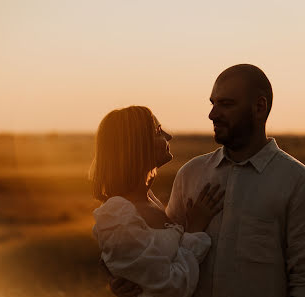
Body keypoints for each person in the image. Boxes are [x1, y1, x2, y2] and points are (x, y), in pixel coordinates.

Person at [108, 64, 305, 297]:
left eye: (226, 104)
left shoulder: (299, 184)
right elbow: (168, 259)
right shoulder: (191, 174)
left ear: (259, 108)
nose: (212, 114)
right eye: (213, 103)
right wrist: (132, 281)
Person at [91, 106, 225, 297]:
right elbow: (169, 287)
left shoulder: (149, 198)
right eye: (158, 131)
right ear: (137, 145)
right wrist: (194, 230)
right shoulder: (118, 214)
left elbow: (147, 265)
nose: (168, 136)